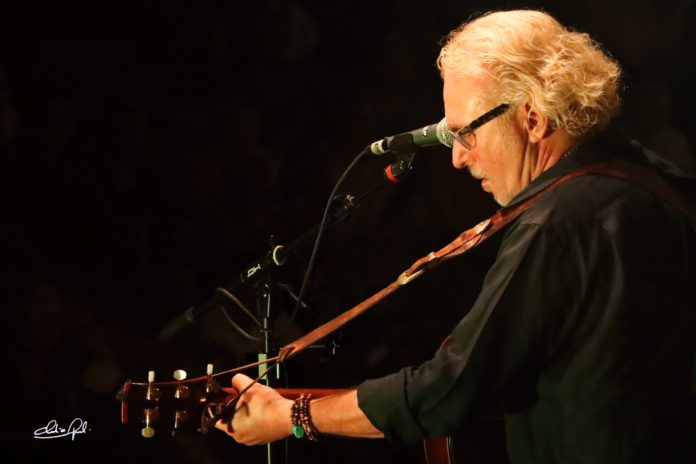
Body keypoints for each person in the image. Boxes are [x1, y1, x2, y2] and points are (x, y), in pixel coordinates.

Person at [215, 10, 696, 463]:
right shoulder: (662, 186)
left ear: (532, 117)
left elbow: (449, 391)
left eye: (466, 132)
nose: (458, 158)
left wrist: (291, 418)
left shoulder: (558, 224)